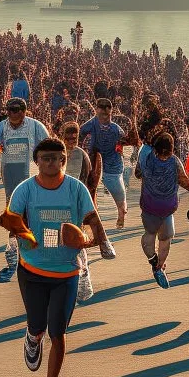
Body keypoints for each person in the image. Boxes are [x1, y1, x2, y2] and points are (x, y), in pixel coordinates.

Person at [0, 137, 103, 377]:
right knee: (38, 326)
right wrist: (25, 234)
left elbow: (94, 223)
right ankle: (33, 337)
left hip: (66, 273)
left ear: (64, 161)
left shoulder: (76, 189)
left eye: (57, 158)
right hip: (32, 270)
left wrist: (90, 242)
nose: (51, 163)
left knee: (58, 332)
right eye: (45, 158)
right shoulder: (25, 189)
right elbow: (8, 219)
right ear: (37, 161)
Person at [0, 98, 50, 282]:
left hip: (32, 176)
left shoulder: (35, 126)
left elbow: (49, 145)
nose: (13, 114)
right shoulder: (2, 126)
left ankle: (43, 256)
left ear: (24, 111)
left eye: (17, 110)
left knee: (36, 215)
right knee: (14, 217)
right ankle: (13, 261)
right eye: (10, 110)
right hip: (10, 175)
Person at [135, 132, 189, 289]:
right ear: (172, 149)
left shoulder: (146, 159)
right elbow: (186, 183)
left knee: (149, 234)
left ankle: (153, 260)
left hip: (149, 208)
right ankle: (159, 267)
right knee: (165, 239)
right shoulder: (174, 162)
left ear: (155, 148)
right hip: (167, 209)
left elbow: (137, 174)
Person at [61, 121, 115, 302]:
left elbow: (89, 183)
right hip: (58, 206)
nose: (71, 141)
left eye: (74, 138)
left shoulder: (81, 155)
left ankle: (84, 278)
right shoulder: (57, 155)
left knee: (77, 242)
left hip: (74, 206)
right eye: (68, 138)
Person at [79, 98, 132, 227]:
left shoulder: (116, 129)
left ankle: (121, 212)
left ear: (111, 111)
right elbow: (79, 134)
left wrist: (124, 147)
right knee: (90, 190)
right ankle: (91, 218)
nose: (104, 112)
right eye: (101, 109)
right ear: (96, 110)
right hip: (95, 162)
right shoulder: (91, 124)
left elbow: (126, 143)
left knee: (119, 195)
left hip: (113, 164)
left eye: (107, 110)